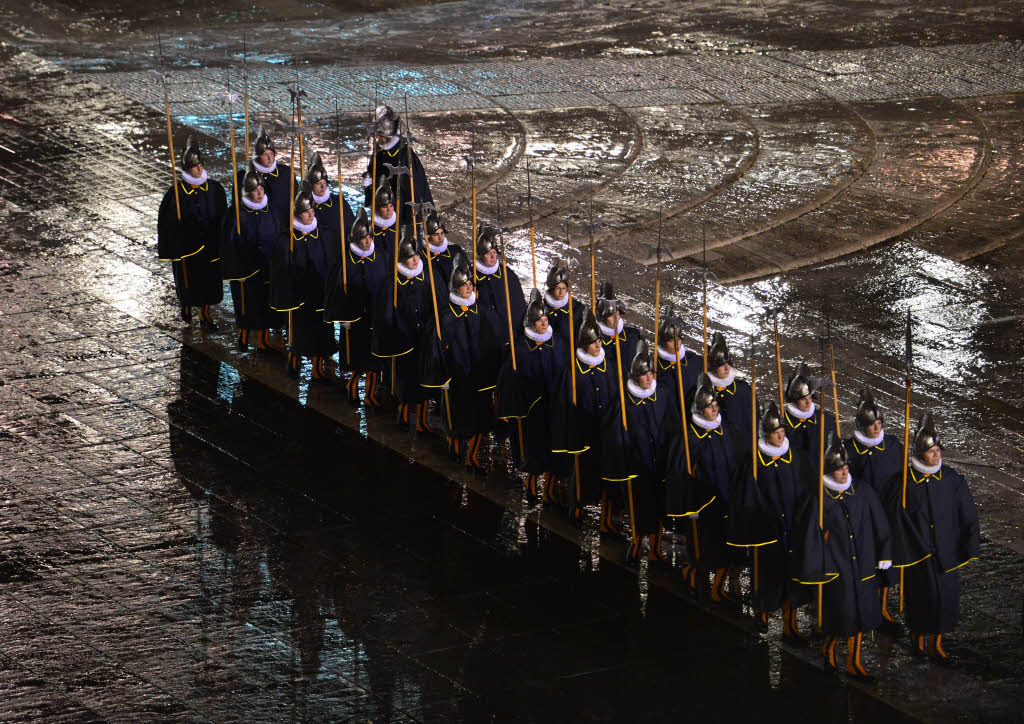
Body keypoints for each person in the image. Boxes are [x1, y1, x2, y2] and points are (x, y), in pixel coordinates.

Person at [793, 433, 892, 679]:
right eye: (839, 469)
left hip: (865, 566)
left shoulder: (864, 492)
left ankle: (854, 662)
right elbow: (809, 536)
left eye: (846, 467)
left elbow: (881, 523)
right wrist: (818, 565)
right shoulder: (818, 499)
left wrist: (885, 552)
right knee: (843, 615)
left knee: (861, 616)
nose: (845, 473)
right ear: (829, 472)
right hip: (837, 569)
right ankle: (829, 650)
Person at [886, 412, 980, 663]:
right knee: (920, 598)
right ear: (919, 454)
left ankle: (937, 642)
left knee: (945, 598)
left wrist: (970, 544)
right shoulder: (903, 483)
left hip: (946, 552)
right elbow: (895, 519)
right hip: (918, 554)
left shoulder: (952, 480)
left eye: (938, 449)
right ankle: (918, 640)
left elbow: (967, 513)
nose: (936, 454)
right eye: (931, 451)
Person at [728, 401, 811, 640]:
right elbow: (746, 497)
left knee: (791, 578)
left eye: (783, 432)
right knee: (765, 576)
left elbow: (804, 491)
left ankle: (790, 623)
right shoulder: (754, 462)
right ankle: (761, 614)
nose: (780, 436)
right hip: (767, 532)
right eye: (776, 433)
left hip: (790, 530)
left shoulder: (793, 457)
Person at [420, 251, 501, 469]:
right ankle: (455, 450)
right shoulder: (445, 317)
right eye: (465, 285)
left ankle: (471, 456)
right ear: (456, 288)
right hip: (456, 379)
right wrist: (440, 376)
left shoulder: (481, 313)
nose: (469, 288)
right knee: (457, 420)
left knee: (479, 421)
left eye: (471, 285)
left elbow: (492, 343)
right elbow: (435, 350)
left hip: (478, 378)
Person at [665, 374, 740, 600]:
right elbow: (680, 474)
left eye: (716, 405)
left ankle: (717, 589)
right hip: (703, 503)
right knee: (702, 547)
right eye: (710, 407)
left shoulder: (722, 431)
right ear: (700, 409)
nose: (715, 409)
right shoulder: (690, 439)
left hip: (724, 499)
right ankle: (692, 577)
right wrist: (690, 504)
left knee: (722, 547)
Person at [601, 339, 670, 565]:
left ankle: (656, 549)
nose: (650, 377)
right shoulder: (624, 403)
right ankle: (637, 544)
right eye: (645, 374)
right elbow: (616, 436)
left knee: (659, 508)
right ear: (635, 377)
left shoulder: (662, 396)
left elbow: (673, 428)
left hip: (658, 465)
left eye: (651, 373)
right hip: (637, 467)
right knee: (641, 509)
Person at [496, 289, 568, 502]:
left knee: (552, 449)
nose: (544, 323)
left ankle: (548, 489)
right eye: (539, 320)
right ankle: (531, 484)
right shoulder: (520, 352)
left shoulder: (557, 344)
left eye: (546, 319)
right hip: (531, 411)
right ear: (531, 323)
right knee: (534, 450)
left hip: (552, 407)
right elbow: (507, 382)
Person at [551, 311, 620, 528]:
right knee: (581, 474)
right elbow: (566, 408)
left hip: (602, 432)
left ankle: (603, 517)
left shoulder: (608, 366)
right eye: (593, 342)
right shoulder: (572, 371)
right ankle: (576, 507)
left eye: (599, 341)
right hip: (583, 433)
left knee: (602, 474)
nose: (598, 345)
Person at [845, 388, 905, 631]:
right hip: (864, 516)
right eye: (872, 424)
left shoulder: (892, 446)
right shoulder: (848, 450)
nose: (877, 427)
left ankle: (883, 610)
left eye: (879, 422)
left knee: (889, 564)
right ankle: (866, 609)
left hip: (889, 514)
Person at [157, 135, 225, 330]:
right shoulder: (176, 195)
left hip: (209, 246)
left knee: (209, 282)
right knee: (189, 281)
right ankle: (186, 305)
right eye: (195, 166)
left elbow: (221, 215)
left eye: (201, 165)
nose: (199, 169)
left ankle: (205, 312)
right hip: (188, 248)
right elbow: (167, 223)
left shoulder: (214, 189)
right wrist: (177, 228)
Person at [372, 226, 433, 431]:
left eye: (416, 255)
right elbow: (386, 314)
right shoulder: (392, 284)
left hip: (422, 339)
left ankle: (423, 421)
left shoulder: (426, 278)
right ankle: (404, 414)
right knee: (407, 382)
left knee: (424, 381)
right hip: (404, 343)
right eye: (410, 256)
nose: (415, 260)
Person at [324, 208, 389, 403]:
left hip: (374, 317)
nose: (368, 240)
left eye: (370, 236)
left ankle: (369, 395)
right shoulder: (345, 263)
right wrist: (344, 317)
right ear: (355, 240)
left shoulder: (380, 257)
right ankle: (353, 386)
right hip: (355, 320)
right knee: (359, 359)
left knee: (374, 359)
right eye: (364, 237)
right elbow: (335, 291)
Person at [221, 160, 280, 351]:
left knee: (264, 305)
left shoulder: (271, 211)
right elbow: (229, 246)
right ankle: (244, 335)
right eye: (255, 189)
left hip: (267, 268)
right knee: (246, 305)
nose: (260, 192)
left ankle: (263, 339)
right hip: (246, 271)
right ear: (247, 192)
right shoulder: (237, 216)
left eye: (261, 188)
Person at [285, 184, 338, 381]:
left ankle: (317, 367)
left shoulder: (323, 235)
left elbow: (330, 262)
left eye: (311, 210)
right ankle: (295, 356)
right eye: (305, 211)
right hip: (300, 295)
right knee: (299, 330)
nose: (310, 214)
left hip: (320, 292)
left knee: (321, 333)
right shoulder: (290, 237)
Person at [363, 105, 432, 228]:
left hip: (401, 210)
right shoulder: (379, 151)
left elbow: (412, 189)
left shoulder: (405, 155)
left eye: (380, 135)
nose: (377, 138)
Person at [473, 224, 526, 356]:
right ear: (481, 255)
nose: (492, 257)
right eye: (488, 254)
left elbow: (518, 305)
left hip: (511, 338)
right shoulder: (473, 277)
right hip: (487, 342)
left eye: (494, 253)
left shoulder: (507, 274)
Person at [784, 361, 838, 475]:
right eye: (804, 399)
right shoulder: (784, 425)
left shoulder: (825, 420)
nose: (808, 402)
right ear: (795, 400)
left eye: (810, 398)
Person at [706, 331, 754, 448]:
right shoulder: (705, 393)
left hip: (743, 451)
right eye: (722, 364)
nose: (727, 368)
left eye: (728, 363)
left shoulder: (744, 390)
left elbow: (753, 422)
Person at [654, 307, 702, 421]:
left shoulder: (694, 361)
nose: (676, 344)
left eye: (679, 339)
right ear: (663, 343)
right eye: (671, 341)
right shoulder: (655, 367)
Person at [241, 125, 294, 225]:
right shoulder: (246, 176)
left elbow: (294, 199)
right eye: (265, 154)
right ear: (258, 156)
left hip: (283, 225)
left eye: (271, 154)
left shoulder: (286, 173)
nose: (269, 158)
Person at [305, 151, 356, 245]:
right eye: (318, 184)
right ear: (311, 185)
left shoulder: (339, 202)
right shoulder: (306, 206)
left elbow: (351, 226)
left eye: (324, 183)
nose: (322, 187)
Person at [595, 282, 641, 383]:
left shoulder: (632, 337)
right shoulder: (596, 344)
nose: (616, 318)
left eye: (617, 314)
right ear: (603, 318)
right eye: (611, 316)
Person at [422, 209, 463, 302]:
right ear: (428, 237)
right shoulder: (422, 258)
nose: (440, 237)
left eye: (442, 233)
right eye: (435, 235)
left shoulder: (455, 251)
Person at [543, 260, 586, 346]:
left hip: (569, 352)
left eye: (563, 288)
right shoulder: (542, 307)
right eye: (557, 288)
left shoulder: (577, 308)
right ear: (551, 289)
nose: (561, 292)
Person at [370, 174, 399, 258]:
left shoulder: (398, 226)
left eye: (391, 206)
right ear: (377, 208)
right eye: (384, 206)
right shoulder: (371, 228)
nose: (389, 210)